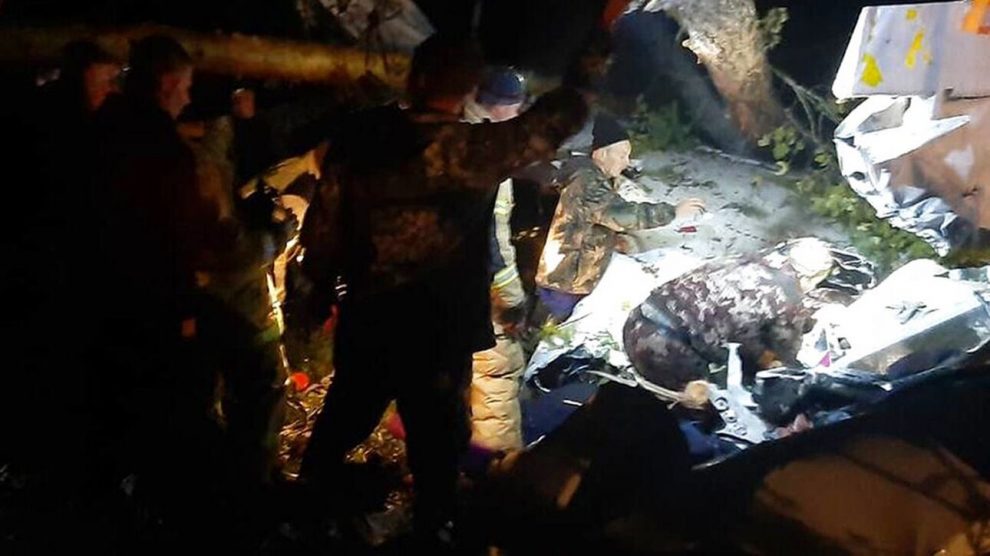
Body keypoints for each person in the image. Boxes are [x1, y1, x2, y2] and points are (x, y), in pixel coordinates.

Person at [293, 33, 592, 543]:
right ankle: (434, 530)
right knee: (437, 445)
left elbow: (321, 232)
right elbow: (556, 121)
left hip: (371, 316)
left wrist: (316, 291)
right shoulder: (470, 150)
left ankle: (301, 512)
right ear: (469, 89)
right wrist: (587, 67)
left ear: (414, 78)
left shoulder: (359, 139)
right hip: (437, 329)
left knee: (345, 415)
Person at [535, 114, 705, 320]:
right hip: (565, 282)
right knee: (552, 331)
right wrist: (673, 212)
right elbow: (622, 214)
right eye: (622, 155)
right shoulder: (587, 183)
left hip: (571, 275)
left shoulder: (593, 175)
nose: (627, 162)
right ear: (601, 154)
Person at [623, 238, 835, 394]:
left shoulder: (744, 260)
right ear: (811, 278)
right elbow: (780, 358)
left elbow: (736, 318)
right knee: (703, 413)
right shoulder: (788, 299)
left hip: (636, 324)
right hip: (666, 355)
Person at [462, 67, 529, 453]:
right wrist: (511, 297)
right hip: (474, 282)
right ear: (501, 107)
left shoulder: (448, 130)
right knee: (498, 365)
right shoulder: (487, 150)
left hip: (428, 278)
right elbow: (490, 234)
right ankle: (495, 458)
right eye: (516, 109)